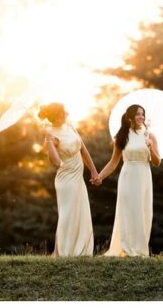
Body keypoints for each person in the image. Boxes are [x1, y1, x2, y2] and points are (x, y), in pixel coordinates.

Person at [92, 104, 161, 257]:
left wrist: (151, 148)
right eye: (138, 114)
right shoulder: (122, 137)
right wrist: (100, 176)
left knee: (143, 213)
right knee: (129, 212)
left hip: (144, 176)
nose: (141, 117)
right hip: (128, 176)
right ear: (130, 117)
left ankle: (140, 250)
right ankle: (128, 249)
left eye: (143, 114)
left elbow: (157, 162)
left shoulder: (150, 136)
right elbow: (113, 162)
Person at [41, 102, 97, 256]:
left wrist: (93, 171)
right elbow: (55, 162)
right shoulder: (50, 133)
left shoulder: (71, 127)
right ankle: (61, 251)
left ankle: (79, 249)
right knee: (67, 214)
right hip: (66, 178)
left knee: (80, 212)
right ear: (54, 116)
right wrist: (49, 140)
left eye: (64, 112)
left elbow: (83, 150)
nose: (65, 115)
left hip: (78, 177)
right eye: (60, 113)